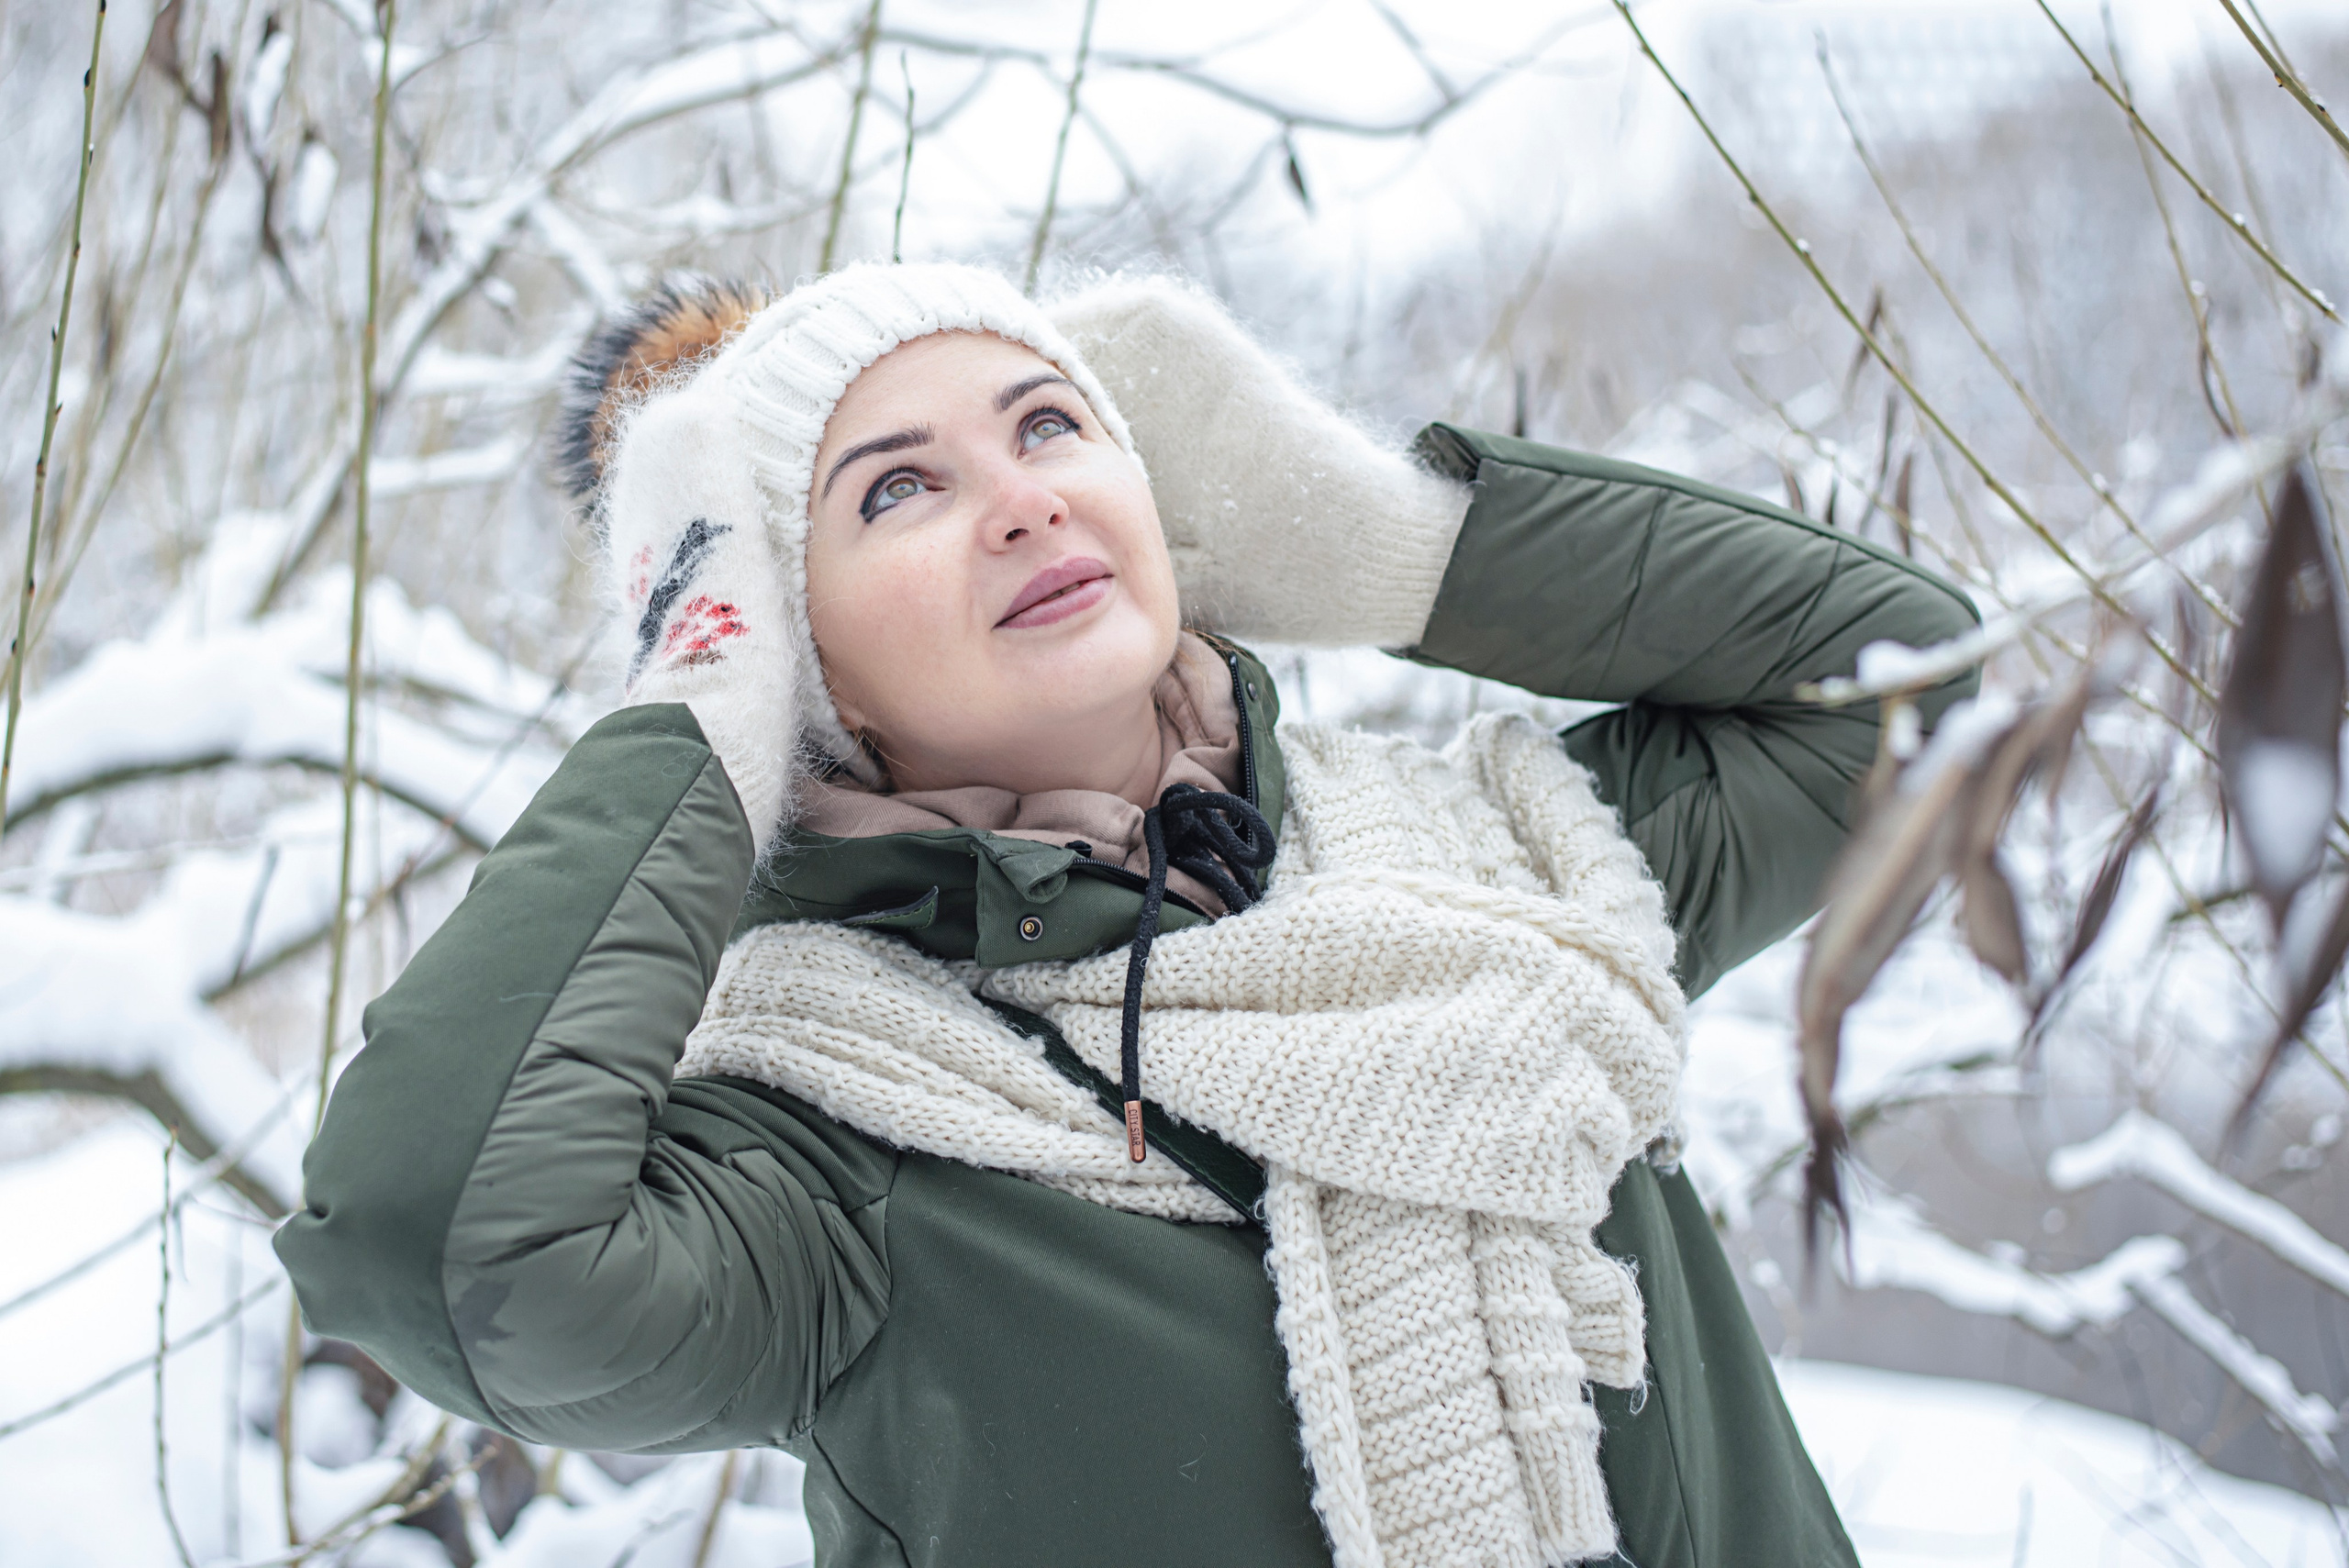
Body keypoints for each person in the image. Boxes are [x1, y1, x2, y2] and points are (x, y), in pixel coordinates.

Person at [276, 262, 1978, 1567]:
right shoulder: (820, 1157)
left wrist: (1388, 540)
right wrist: (700, 715)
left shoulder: (1521, 880)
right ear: (790, 656)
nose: (1020, 497)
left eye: (1050, 426)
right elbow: (434, 1245)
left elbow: (1914, 689)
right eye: (895, 490)